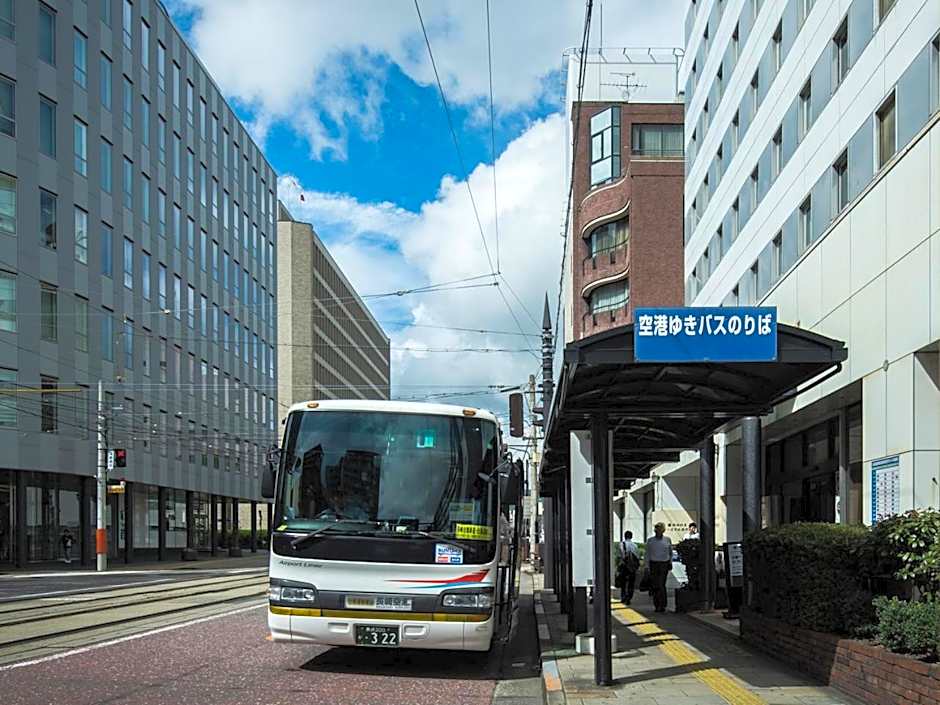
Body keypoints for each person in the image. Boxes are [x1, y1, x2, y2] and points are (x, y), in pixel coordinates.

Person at [645, 523, 673, 613]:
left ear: (663, 530)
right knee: (655, 585)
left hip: (664, 564)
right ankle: (657, 605)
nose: (658, 531)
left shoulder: (667, 540)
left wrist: (670, 562)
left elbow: (670, 553)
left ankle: (662, 605)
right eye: (656, 529)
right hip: (653, 564)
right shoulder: (650, 541)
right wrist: (646, 566)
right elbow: (647, 554)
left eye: (660, 529)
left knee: (661, 585)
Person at [618, 531, 640, 605]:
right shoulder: (635, 545)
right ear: (631, 536)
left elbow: (621, 554)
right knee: (631, 582)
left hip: (624, 565)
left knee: (623, 582)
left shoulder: (622, 544)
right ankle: (629, 597)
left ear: (624, 536)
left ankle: (623, 596)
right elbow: (637, 556)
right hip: (632, 566)